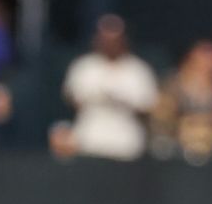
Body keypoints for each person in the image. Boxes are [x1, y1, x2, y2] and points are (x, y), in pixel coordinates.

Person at [51, 14, 158, 161]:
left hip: (127, 144)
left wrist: (120, 100)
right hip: (90, 141)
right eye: (106, 38)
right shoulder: (84, 66)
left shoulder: (138, 70)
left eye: (115, 39)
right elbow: (72, 99)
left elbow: (148, 106)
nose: (110, 44)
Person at [150, 40, 212, 164]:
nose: (211, 63)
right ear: (191, 58)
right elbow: (161, 117)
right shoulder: (174, 84)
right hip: (178, 151)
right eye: (205, 56)